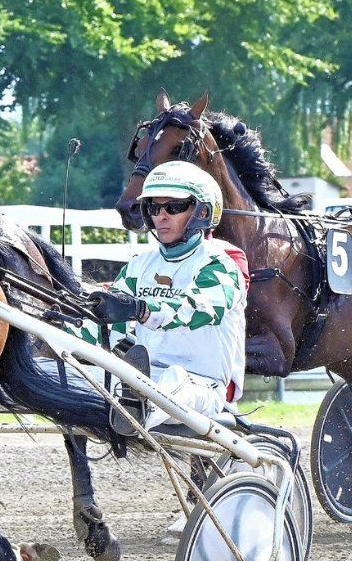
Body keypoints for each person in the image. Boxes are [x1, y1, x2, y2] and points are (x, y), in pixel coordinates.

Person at [86, 160, 249, 434]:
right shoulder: (139, 266)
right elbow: (109, 325)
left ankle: (139, 412)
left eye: (174, 207)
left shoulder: (220, 265)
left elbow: (195, 309)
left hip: (202, 387)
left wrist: (140, 309)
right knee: (76, 374)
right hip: (142, 378)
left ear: (202, 211)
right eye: (153, 207)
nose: (162, 216)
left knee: (175, 381)